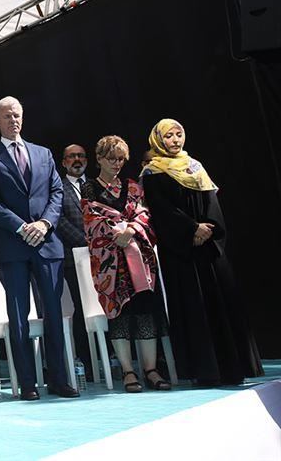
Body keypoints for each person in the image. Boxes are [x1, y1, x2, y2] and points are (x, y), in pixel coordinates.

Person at [141, 118, 262, 386]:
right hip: (181, 253)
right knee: (193, 308)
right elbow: (160, 210)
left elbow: (211, 201)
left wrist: (207, 228)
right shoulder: (152, 172)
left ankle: (233, 368)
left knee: (221, 304)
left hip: (208, 249)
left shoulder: (195, 166)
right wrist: (191, 229)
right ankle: (205, 371)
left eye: (178, 134)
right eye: (169, 136)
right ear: (158, 140)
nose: (175, 140)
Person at [0, 96, 79, 401]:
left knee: (53, 314)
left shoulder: (43, 153)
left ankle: (59, 379)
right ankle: (27, 383)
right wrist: (22, 227)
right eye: (7, 116)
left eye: (17, 115)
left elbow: (57, 192)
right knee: (19, 315)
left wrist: (45, 224)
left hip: (47, 245)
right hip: (13, 246)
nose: (14, 120)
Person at [81, 136, 171, 392]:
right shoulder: (89, 188)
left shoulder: (132, 186)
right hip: (110, 262)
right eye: (112, 158)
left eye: (121, 159)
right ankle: (128, 371)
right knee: (119, 315)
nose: (117, 163)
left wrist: (130, 229)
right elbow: (91, 220)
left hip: (140, 261)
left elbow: (143, 214)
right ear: (99, 158)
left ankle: (150, 370)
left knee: (145, 311)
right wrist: (116, 233)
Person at [54, 144, 93, 381]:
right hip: (73, 258)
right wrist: (87, 242)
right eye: (71, 156)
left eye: (80, 156)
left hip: (105, 257)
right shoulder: (58, 187)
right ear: (64, 162)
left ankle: (112, 357)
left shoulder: (96, 185)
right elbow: (59, 221)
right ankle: (88, 363)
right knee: (82, 307)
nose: (77, 160)